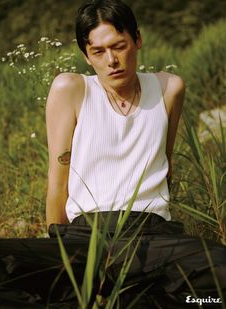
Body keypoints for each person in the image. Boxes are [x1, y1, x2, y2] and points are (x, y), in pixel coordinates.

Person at [45, 0, 226, 307]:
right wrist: (57, 251)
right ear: (86, 56)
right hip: (87, 234)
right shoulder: (71, 89)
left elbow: (164, 165)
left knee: (218, 274)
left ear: (138, 40)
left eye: (119, 46)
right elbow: (57, 182)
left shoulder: (168, 88)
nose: (112, 60)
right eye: (98, 52)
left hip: (154, 234)